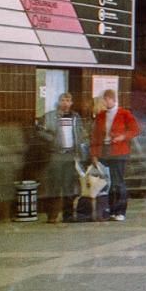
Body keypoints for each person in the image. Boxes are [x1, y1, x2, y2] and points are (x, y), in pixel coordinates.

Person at [90, 89, 140, 222]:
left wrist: (123, 136)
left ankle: (120, 211)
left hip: (119, 151)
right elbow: (95, 136)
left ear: (112, 99)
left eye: (106, 100)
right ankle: (111, 210)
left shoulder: (124, 113)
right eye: (103, 100)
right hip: (104, 151)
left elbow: (135, 129)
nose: (104, 102)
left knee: (118, 181)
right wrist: (94, 154)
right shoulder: (101, 116)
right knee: (108, 182)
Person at [37, 93, 86, 223]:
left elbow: (81, 132)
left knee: (69, 187)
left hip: (71, 155)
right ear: (59, 102)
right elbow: (39, 130)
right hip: (56, 155)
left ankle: (68, 216)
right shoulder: (50, 116)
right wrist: (52, 140)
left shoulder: (76, 117)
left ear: (71, 103)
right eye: (63, 100)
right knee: (54, 186)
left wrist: (79, 149)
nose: (65, 103)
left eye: (68, 100)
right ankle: (52, 216)